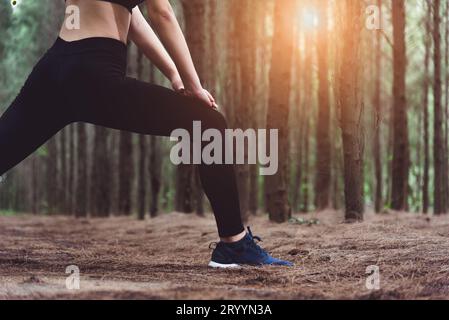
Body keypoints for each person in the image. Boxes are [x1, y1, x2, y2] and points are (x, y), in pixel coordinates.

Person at [0, 0, 292, 268]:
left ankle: (235, 245)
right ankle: (234, 244)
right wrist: (194, 85)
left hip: (55, 69)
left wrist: (175, 76)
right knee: (209, 124)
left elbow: (134, 18)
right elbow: (161, 13)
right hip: (95, 75)